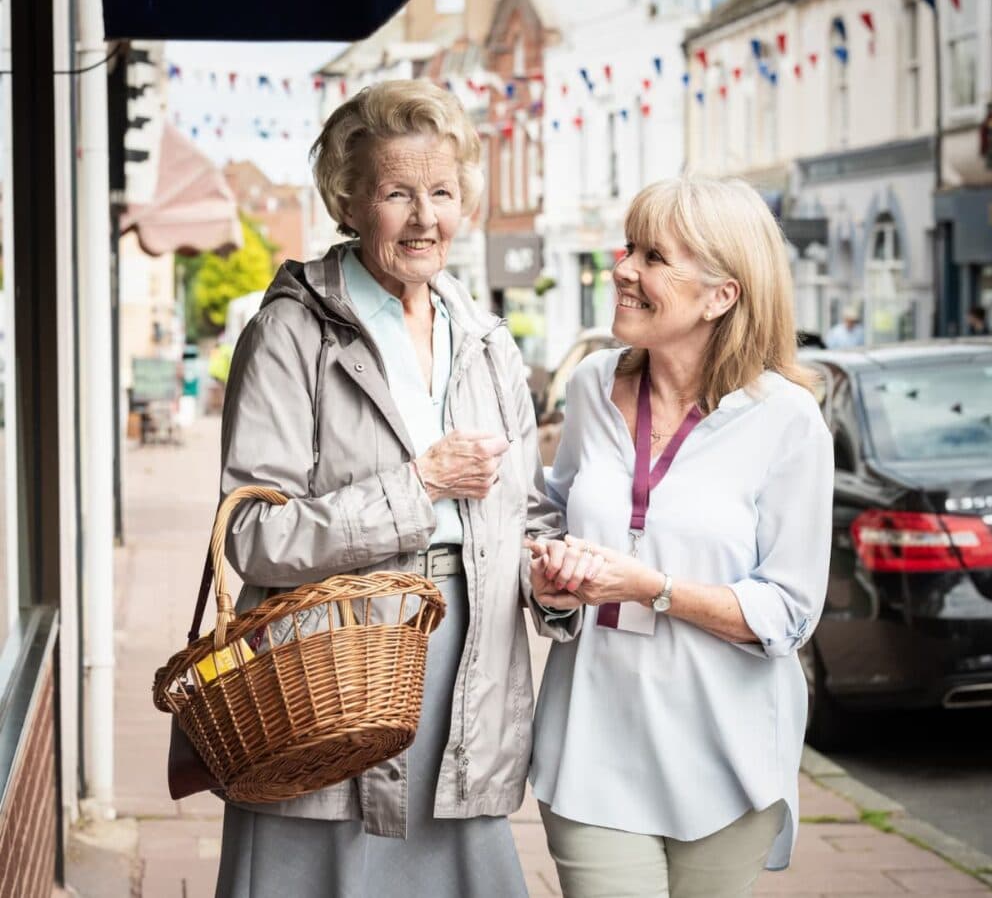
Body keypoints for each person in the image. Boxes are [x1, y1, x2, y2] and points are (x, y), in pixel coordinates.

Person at [213, 79, 570, 898]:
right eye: (396, 193)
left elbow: (524, 512)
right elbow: (253, 536)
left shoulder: (484, 340)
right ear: (348, 199)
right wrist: (418, 486)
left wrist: (548, 583)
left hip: (467, 673)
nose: (424, 218)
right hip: (329, 675)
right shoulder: (289, 333)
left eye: (441, 192)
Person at [526, 176, 834, 898]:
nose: (624, 269)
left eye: (654, 256)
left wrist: (654, 589)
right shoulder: (591, 388)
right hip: (592, 741)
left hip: (725, 756)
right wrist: (549, 580)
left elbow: (788, 614)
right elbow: (555, 517)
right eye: (629, 248)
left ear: (721, 294)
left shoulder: (788, 421)